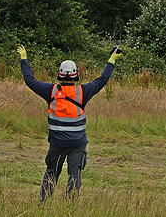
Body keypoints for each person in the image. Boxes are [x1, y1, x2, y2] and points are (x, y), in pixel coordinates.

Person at [17, 44, 122, 201]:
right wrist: (112, 59)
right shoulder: (82, 92)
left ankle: (43, 204)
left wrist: (24, 59)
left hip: (57, 143)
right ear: (76, 76)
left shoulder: (50, 91)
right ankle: (70, 207)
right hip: (77, 143)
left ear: (59, 75)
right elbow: (102, 80)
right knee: (75, 174)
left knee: (51, 172)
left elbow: (30, 80)